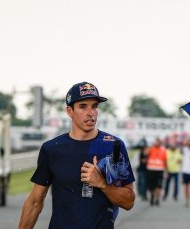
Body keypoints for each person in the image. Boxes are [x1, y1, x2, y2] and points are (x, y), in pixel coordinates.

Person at [19, 82, 135, 229]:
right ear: (69, 111)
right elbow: (35, 202)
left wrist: (102, 184)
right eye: (83, 106)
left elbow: (129, 202)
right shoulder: (52, 149)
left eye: (94, 106)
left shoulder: (113, 146)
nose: (90, 112)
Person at [146, 138, 167, 206]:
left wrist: (166, 171)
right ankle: (152, 196)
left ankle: (157, 199)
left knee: (159, 186)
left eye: (159, 142)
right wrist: (151, 145)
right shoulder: (151, 148)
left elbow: (165, 161)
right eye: (156, 142)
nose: (157, 143)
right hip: (151, 169)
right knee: (151, 186)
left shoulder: (163, 150)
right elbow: (145, 153)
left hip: (160, 170)